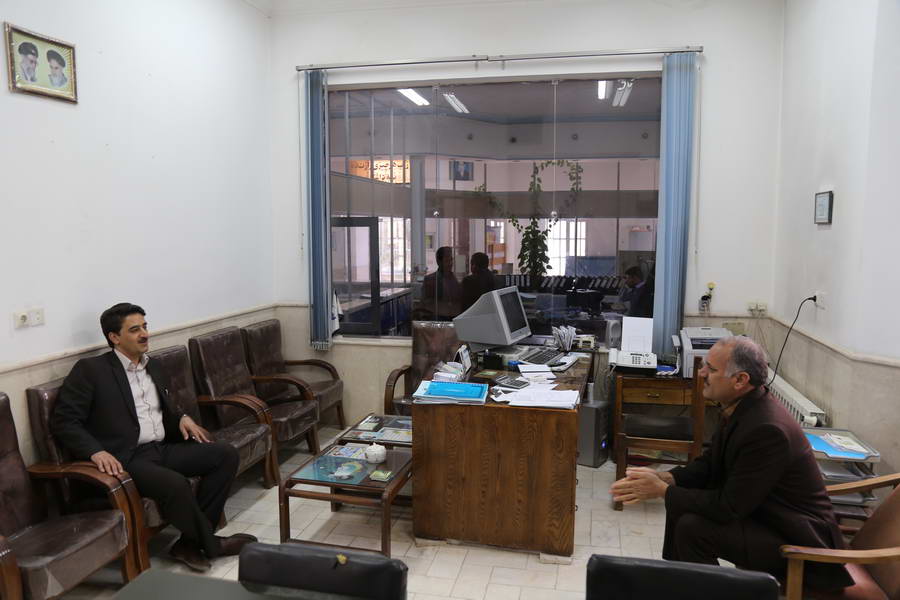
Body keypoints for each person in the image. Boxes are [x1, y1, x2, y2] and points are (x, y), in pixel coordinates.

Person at [610, 336, 852, 591]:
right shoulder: (742, 406)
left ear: (740, 380)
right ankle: (682, 583)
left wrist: (663, 491)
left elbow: (728, 507)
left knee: (693, 528)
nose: (701, 373)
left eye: (711, 369)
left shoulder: (767, 430)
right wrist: (669, 478)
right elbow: (709, 464)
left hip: (798, 543)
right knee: (682, 507)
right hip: (764, 518)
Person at [51, 303, 257, 572]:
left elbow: (163, 408)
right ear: (114, 337)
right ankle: (212, 544)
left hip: (161, 447)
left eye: (145, 327)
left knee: (224, 454)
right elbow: (64, 421)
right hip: (126, 458)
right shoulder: (91, 370)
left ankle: (189, 544)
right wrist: (95, 451)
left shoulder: (154, 366)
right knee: (176, 484)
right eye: (135, 329)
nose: (145, 334)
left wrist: (182, 417)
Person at [421, 246, 462, 320]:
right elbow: (425, 305)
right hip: (437, 319)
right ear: (439, 262)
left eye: (451, 260)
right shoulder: (430, 279)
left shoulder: (455, 279)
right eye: (447, 260)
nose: (450, 263)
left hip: (454, 319)